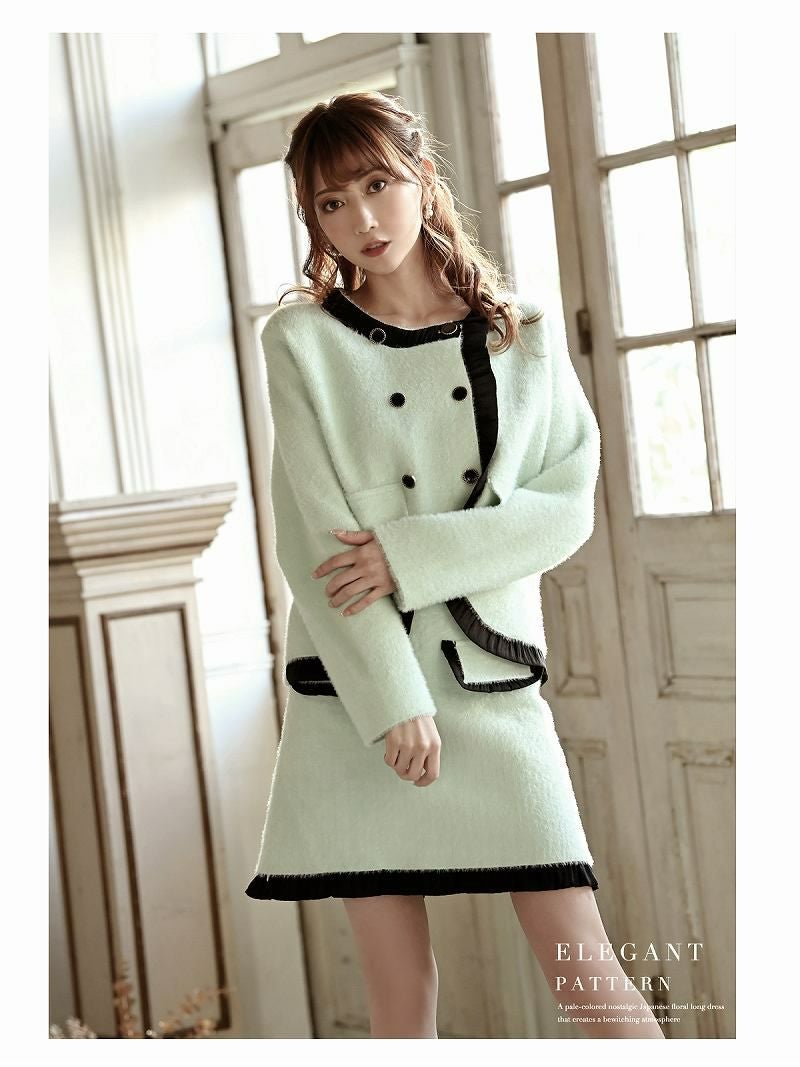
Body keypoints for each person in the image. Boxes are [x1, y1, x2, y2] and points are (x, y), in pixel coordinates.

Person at [245, 90, 664, 1040]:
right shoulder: (301, 342)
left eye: (377, 185)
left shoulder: (523, 334)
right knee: (401, 1000)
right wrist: (393, 699)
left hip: (489, 679)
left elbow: (564, 506)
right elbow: (314, 541)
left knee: (585, 968)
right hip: (362, 695)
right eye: (330, 203)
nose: (361, 219)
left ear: (423, 177)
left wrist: (408, 553)